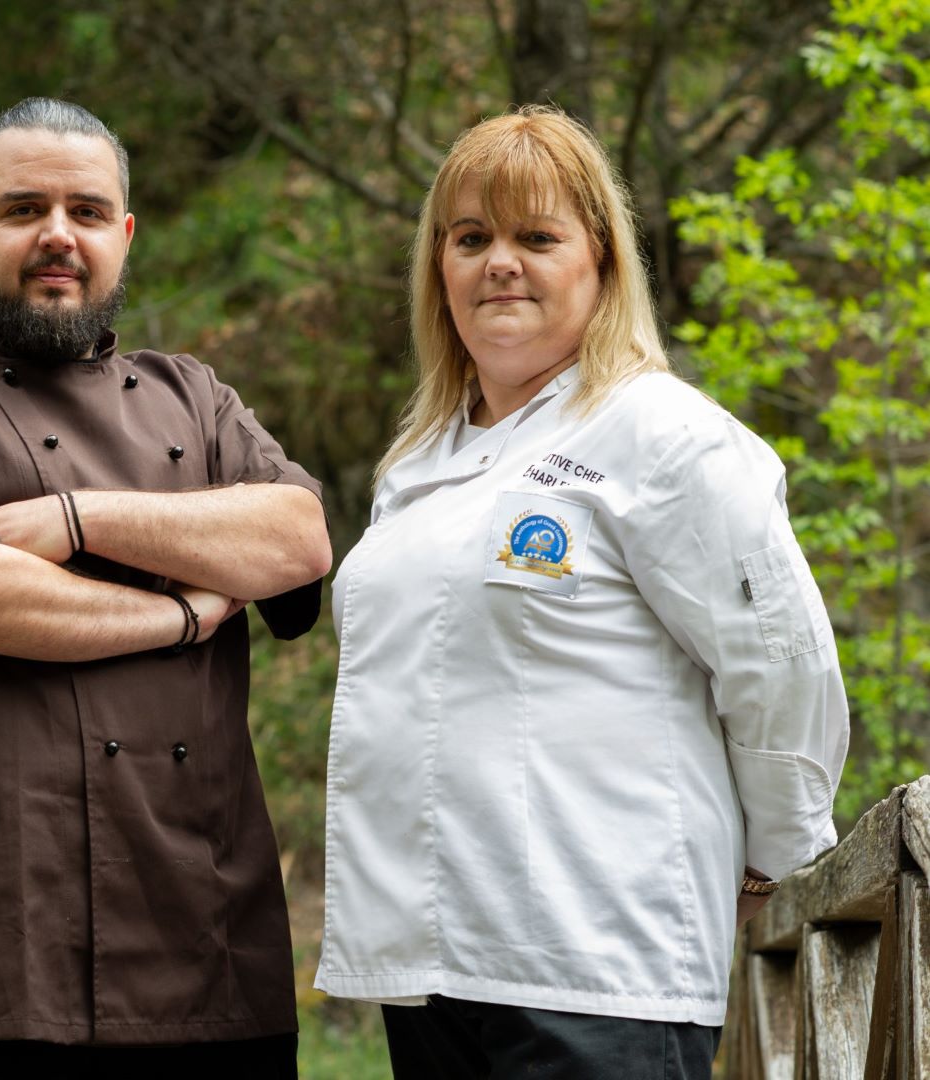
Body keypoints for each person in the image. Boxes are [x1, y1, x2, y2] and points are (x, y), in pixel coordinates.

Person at [315, 106, 848, 1079]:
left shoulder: (662, 433)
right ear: (438, 268)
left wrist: (777, 866)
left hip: (600, 967)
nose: (499, 264)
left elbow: (782, 666)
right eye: (470, 238)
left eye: (536, 237)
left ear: (599, 262)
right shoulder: (417, 467)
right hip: (430, 964)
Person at [0, 97, 331, 1078]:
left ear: (123, 237)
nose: (58, 235)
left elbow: (297, 538)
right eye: (24, 209)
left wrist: (75, 520)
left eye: (86, 211)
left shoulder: (196, 399)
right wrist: (179, 614)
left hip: (204, 947)